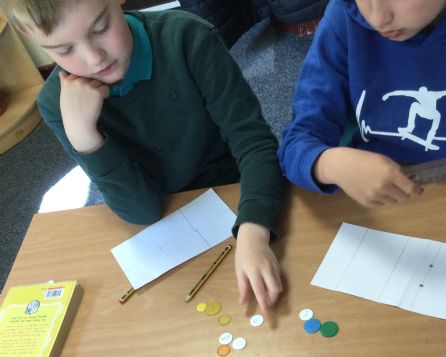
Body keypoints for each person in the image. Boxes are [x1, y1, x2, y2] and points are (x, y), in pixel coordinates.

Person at [1, 0, 284, 312]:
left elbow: (254, 144)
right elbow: (142, 211)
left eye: (101, 28)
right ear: (30, 37)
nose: (95, 58)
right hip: (163, 222)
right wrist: (85, 137)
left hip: (237, 191)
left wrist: (254, 232)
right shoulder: (58, 104)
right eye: (64, 50)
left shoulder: (187, 37)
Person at [279, 0, 446, 208]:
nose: (378, 19)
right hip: (385, 203)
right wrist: (330, 164)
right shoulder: (343, 19)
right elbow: (296, 143)